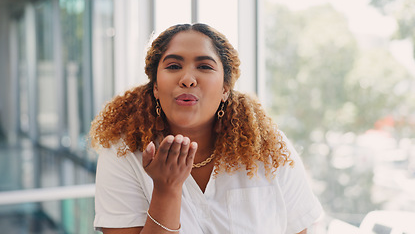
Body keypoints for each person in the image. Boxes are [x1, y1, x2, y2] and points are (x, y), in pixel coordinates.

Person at [89, 23, 322, 234]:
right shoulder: (123, 152)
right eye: (173, 66)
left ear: (225, 89)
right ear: (156, 87)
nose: (188, 79)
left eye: (204, 66)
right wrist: (166, 189)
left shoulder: (268, 148)